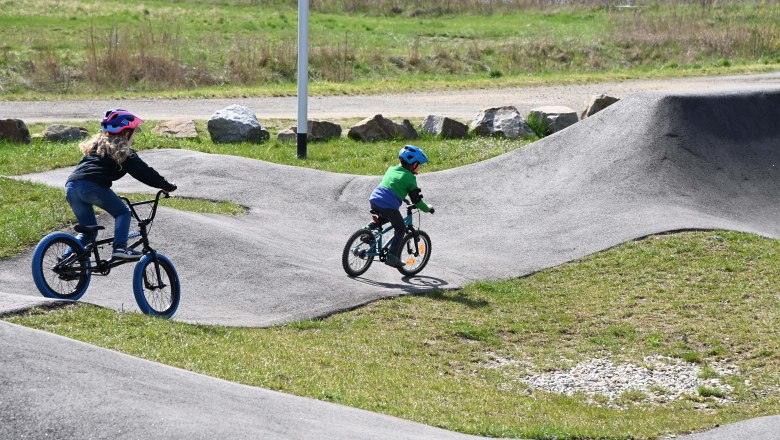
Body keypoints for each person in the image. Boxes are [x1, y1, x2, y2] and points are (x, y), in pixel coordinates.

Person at [65, 109, 177, 260]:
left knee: (88, 232)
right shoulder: (124, 152)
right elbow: (145, 173)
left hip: (71, 186)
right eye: (134, 132)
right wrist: (166, 186)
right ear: (126, 134)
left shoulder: (97, 147)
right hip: (92, 186)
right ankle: (120, 247)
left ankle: (65, 260)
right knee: (123, 212)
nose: (134, 137)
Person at [369, 144, 435, 268]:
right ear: (414, 164)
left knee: (385, 217)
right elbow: (417, 201)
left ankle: (368, 230)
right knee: (400, 229)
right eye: (419, 165)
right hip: (388, 205)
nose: (419, 167)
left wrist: (403, 198)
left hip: (374, 199)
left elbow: (393, 186)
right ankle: (392, 256)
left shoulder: (391, 169)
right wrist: (427, 208)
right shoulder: (410, 178)